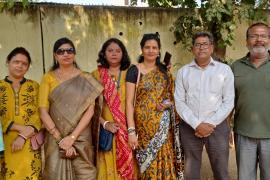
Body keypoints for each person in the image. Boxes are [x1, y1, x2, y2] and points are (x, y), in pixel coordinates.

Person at [39, 37, 103, 180]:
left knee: (86, 174)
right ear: (55, 55)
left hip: (81, 137)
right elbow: (43, 111)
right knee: (55, 174)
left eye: (69, 50)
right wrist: (61, 140)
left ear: (74, 54)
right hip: (56, 138)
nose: (66, 54)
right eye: (61, 51)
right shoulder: (48, 78)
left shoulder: (85, 78)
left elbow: (90, 111)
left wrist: (72, 138)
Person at [174, 32, 234, 180]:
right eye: (197, 44)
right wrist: (197, 124)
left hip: (217, 127)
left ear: (212, 47)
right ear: (192, 49)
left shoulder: (224, 70)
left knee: (221, 171)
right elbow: (179, 101)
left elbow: (229, 101)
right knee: (191, 172)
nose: (201, 48)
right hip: (190, 127)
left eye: (205, 44)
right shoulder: (183, 72)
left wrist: (210, 124)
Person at [126, 33, 183, 179]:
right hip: (143, 130)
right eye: (147, 47)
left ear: (159, 51)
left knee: (165, 161)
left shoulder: (164, 72)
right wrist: (131, 131)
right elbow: (129, 102)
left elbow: (171, 97)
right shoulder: (134, 71)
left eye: (154, 48)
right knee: (147, 165)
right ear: (142, 49)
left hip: (163, 128)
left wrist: (166, 104)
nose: (151, 50)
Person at [92, 38, 136, 180]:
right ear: (104, 54)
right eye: (110, 50)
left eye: (118, 51)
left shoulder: (131, 72)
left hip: (128, 130)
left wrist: (131, 130)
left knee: (129, 167)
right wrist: (105, 123)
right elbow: (89, 106)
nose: (114, 54)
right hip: (107, 131)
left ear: (123, 54)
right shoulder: (96, 75)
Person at [231, 22, 270, 180]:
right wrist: (227, 127)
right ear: (246, 41)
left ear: (269, 39)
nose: (258, 40)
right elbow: (229, 100)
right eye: (254, 36)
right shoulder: (235, 67)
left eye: (263, 36)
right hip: (244, 134)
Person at [0, 47, 42, 179]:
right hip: (4, 142)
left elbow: (41, 112)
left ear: (28, 67)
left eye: (24, 64)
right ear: (8, 62)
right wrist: (19, 128)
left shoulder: (34, 86)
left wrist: (24, 135)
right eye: (16, 62)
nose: (20, 66)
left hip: (29, 141)